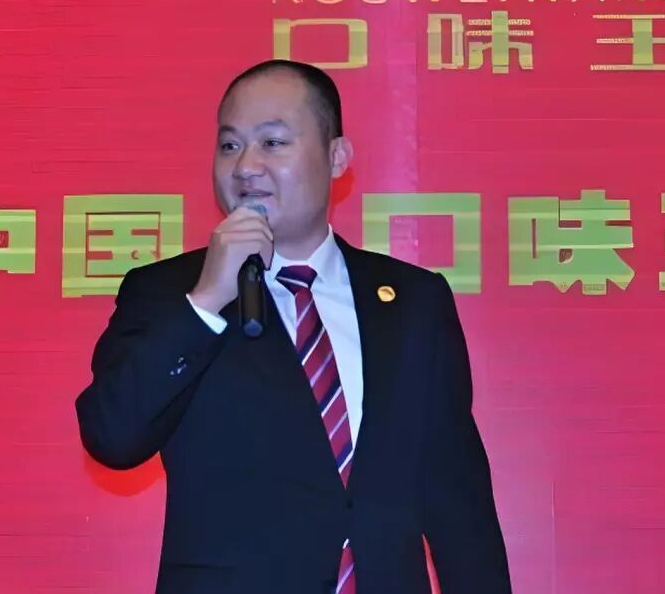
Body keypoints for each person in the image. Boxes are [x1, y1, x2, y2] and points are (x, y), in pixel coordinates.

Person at [75, 59, 511, 593]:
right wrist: (208, 301)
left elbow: (458, 502)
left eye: (273, 143)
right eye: (230, 145)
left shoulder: (414, 302)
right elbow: (113, 438)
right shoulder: (169, 294)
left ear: (337, 157)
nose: (245, 167)